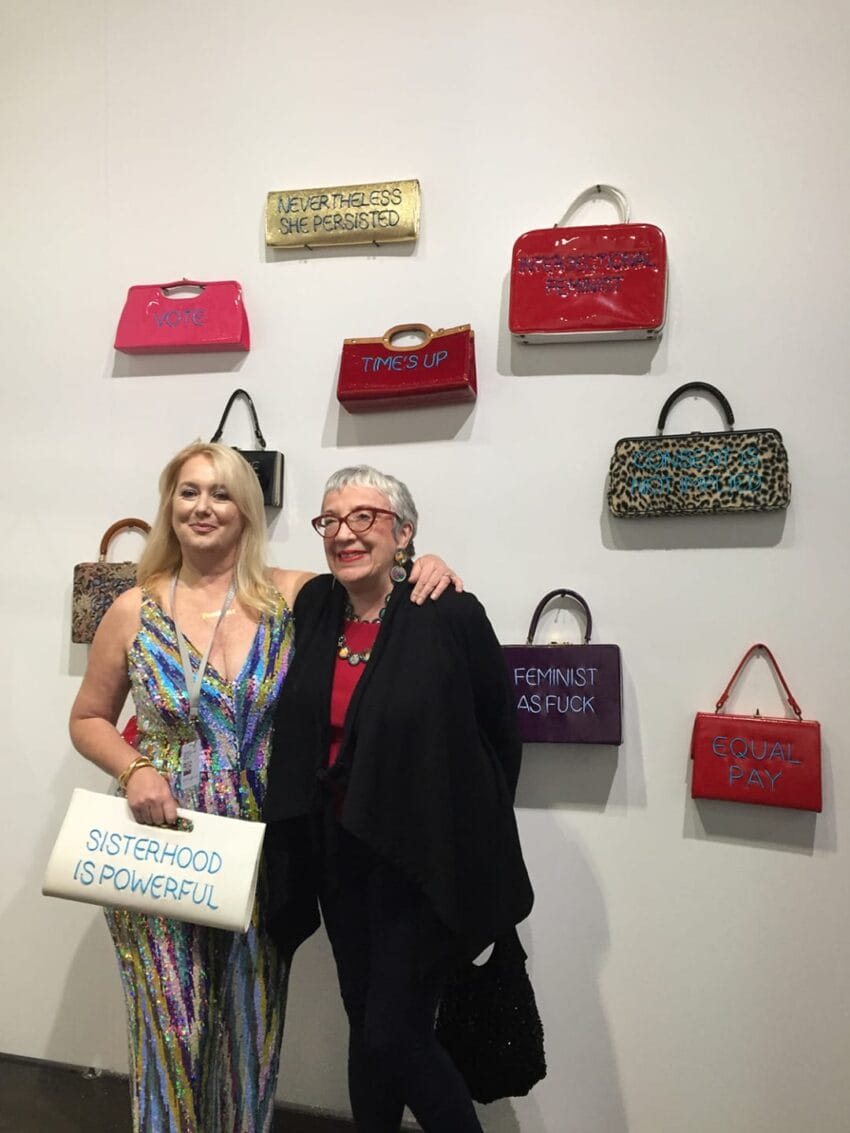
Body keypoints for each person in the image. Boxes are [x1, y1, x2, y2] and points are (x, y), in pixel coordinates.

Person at [68, 441, 458, 1133]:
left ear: (247, 509)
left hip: (265, 850)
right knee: (174, 1036)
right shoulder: (133, 607)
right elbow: (88, 717)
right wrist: (134, 769)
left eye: (220, 493)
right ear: (170, 507)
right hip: (160, 841)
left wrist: (421, 562)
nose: (202, 506)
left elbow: (373, 588)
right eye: (188, 492)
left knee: (249, 1037)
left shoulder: (295, 596)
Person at [263, 465, 534, 1133]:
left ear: (403, 531)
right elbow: (231, 569)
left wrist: (470, 826)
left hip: (419, 858)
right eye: (331, 520)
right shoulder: (315, 607)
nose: (345, 533)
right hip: (337, 853)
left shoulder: (446, 612)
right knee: (365, 1020)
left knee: (395, 1034)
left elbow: (500, 732)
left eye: (366, 517)